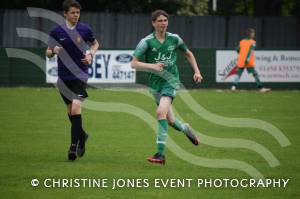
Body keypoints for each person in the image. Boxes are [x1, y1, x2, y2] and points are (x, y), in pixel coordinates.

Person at [131, 10, 203, 165]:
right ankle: (185, 128)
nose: (163, 23)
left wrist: (197, 72)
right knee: (170, 120)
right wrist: (153, 66)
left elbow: (188, 54)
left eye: (165, 20)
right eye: (159, 21)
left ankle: (160, 154)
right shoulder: (146, 42)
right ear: (153, 23)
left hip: (170, 81)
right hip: (155, 84)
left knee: (160, 112)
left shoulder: (174, 39)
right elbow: (133, 63)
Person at [46, 0, 99, 161]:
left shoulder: (85, 29)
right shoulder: (56, 31)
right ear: (65, 13)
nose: (76, 15)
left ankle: (73, 146)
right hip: (63, 77)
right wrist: (53, 50)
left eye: (78, 12)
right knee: (70, 111)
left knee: (76, 108)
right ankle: (82, 136)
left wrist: (90, 54)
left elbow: (95, 44)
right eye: (73, 12)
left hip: (80, 75)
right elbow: (48, 52)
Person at [231, 28, 270, 92]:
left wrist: (242, 55)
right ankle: (261, 88)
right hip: (248, 61)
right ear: (250, 34)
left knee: (239, 74)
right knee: (255, 74)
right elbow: (250, 51)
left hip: (241, 60)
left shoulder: (242, 41)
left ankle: (233, 87)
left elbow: (237, 50)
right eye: (253, 33)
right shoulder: (253, 42)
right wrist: (247, 59)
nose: (254, 34)